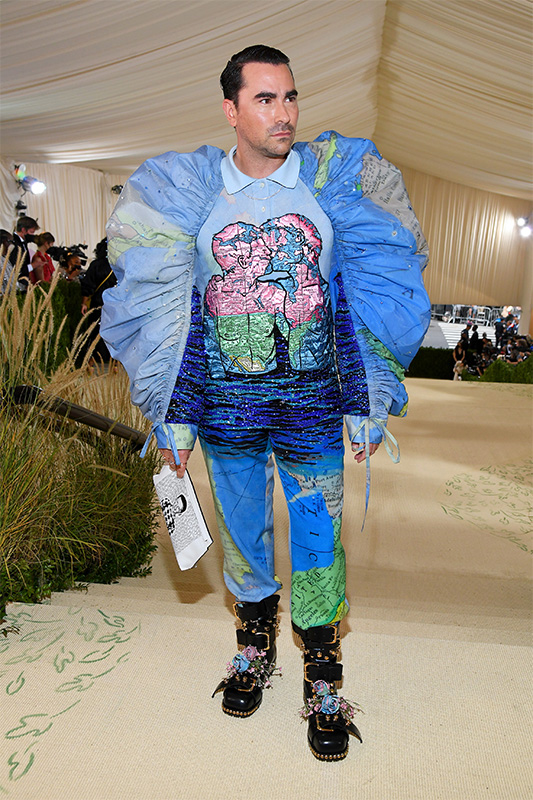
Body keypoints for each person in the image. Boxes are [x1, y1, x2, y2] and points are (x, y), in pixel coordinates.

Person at [101, 44, 430, 762]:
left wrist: (364, 400)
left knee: (316, 542)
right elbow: (179, 320)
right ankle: (253, 647)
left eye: (289, 98)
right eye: (264, 99)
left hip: (311, 410)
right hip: (227, 417)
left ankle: (322, 673)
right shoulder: (193, 199)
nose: (283, 114)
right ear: (230, 109)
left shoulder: (330, 189)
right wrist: (174, 419)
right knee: (242, 536)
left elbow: (349, 302)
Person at [80, 238, 117, 364]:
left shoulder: (95, 265)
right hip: (115, 305)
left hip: (98, 305)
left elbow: (88, 285)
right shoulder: (119, 266)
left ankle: (93, 359)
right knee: (114, 332)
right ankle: (114, 361)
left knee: (95, 332)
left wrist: (84, 303)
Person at [6, 215, 39, 291]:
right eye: (31, 232)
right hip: (16, 286)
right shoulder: (14, 243)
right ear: (23, 230)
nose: (32, 235)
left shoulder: (24, 242)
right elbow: (15, 268)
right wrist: (33, 266)